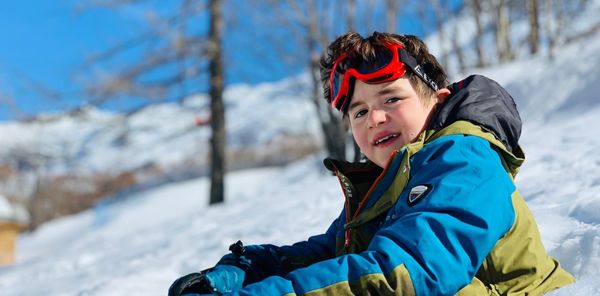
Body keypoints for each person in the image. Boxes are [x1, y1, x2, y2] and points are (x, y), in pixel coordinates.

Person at [168, 31, 574, 295]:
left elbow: (415, 272)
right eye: (358, 112)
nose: (374, 118)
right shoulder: (390, 184)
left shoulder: (465, 159)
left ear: (438, 97)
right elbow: (329, 253)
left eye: (391, 99)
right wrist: (244, 272)